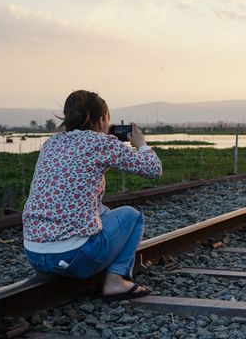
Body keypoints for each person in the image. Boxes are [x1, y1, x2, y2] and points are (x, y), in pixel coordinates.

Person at [23, 90, 163, 301]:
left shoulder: (51, 144)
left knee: (101, 212)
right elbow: (154, 169)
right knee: (133, 216)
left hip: (34, 255)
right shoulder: (101, 143)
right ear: (98, 119)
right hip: (75, 258)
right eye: (107, 118)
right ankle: (116, 280)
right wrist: (140, 143)